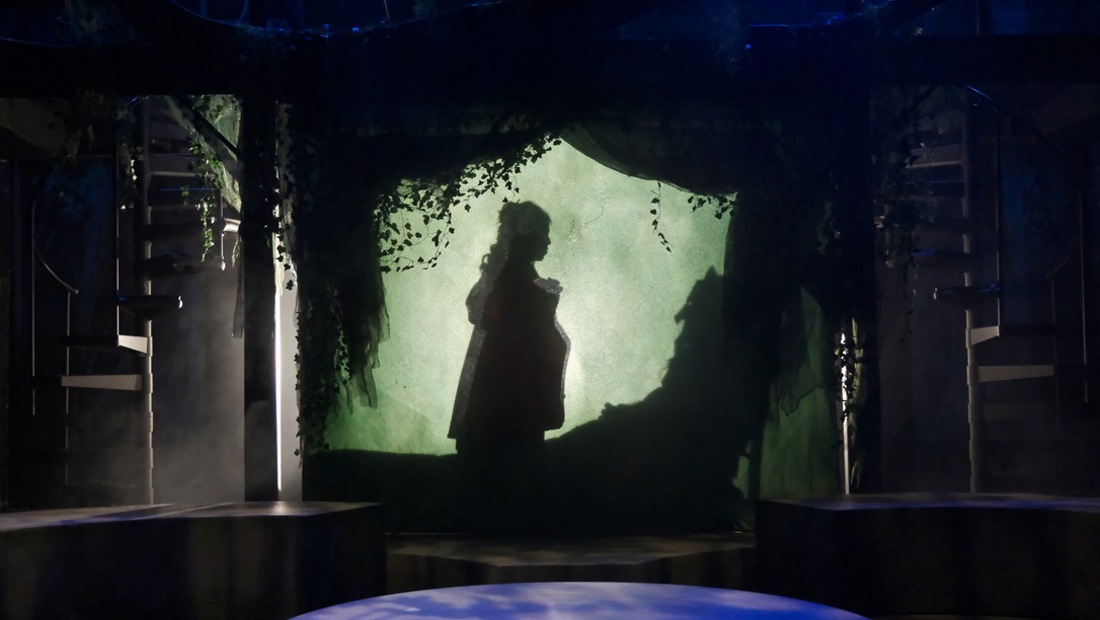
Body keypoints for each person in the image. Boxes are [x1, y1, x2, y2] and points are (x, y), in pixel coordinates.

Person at [449, 201, 569, 461]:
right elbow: (493, 316)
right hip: (510, 385)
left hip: (510, 382)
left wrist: (543, 292)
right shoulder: (511, 274)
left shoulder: (517, 272)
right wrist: (543, 296)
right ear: (527, 236)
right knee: (510, 460)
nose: (548, 241)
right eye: (544, 233)